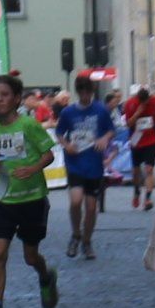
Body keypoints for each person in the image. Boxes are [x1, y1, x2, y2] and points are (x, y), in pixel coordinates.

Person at [0, 74, 62, 308]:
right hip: (5, 199)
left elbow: (48, 155)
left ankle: (45, 275)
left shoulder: (29, 125)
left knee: (30, 256)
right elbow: (0, 160)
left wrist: (32, 168)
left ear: (16, 98)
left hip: (32, 200)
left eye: (4, 95)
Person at [56, 72, 113, 260]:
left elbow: (111, 130)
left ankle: (87, 241)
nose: (85, 96)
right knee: (75, 201)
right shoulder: (68, 112)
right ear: (78, 92)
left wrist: (104, 139)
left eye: (88, 92)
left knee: (90, 207)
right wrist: (67, 145)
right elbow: (59, 133)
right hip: (75, 162)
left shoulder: (101, 110)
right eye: (82, 93)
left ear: (92, 92)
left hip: (94, 164)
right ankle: (75, 234)